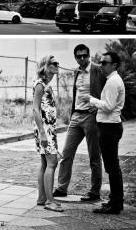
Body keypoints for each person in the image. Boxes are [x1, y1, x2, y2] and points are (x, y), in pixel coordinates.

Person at [53, 44, 105, 202]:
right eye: (78, 56)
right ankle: (62, 188)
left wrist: (100, 108)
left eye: (84, 55)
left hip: (91, 117)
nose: (82, 58)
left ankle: (94, 192)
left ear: (89, 56)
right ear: (75, 57)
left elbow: (108, 90)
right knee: (66, 154)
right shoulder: (76, 71)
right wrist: (72, 113)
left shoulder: (98, 70)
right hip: (76, 117)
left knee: (94, 156)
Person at [78, 51, 126, 215]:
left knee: (112, 167)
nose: (101, 65)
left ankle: (115, 204)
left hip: (109, 128)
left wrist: (91, 99)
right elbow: (107, 105)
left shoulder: (112, 82)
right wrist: (96, 105)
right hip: (110, 126)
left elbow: (109, 106)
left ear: (114, 65)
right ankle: (116, 201)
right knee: (114, 167)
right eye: (100, 62)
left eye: (105, 62)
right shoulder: (113, 80)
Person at [33, 55, 63, 213]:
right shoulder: (40, 84)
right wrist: (43, 134)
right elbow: (35, 109)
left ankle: (42, 197)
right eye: (54, 63)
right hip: (45, 129)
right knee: (52, 163)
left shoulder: (45, 84)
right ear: (46, 66)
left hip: (48, 129)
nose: (57, 65)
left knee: (45, 163)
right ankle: (50, 201)